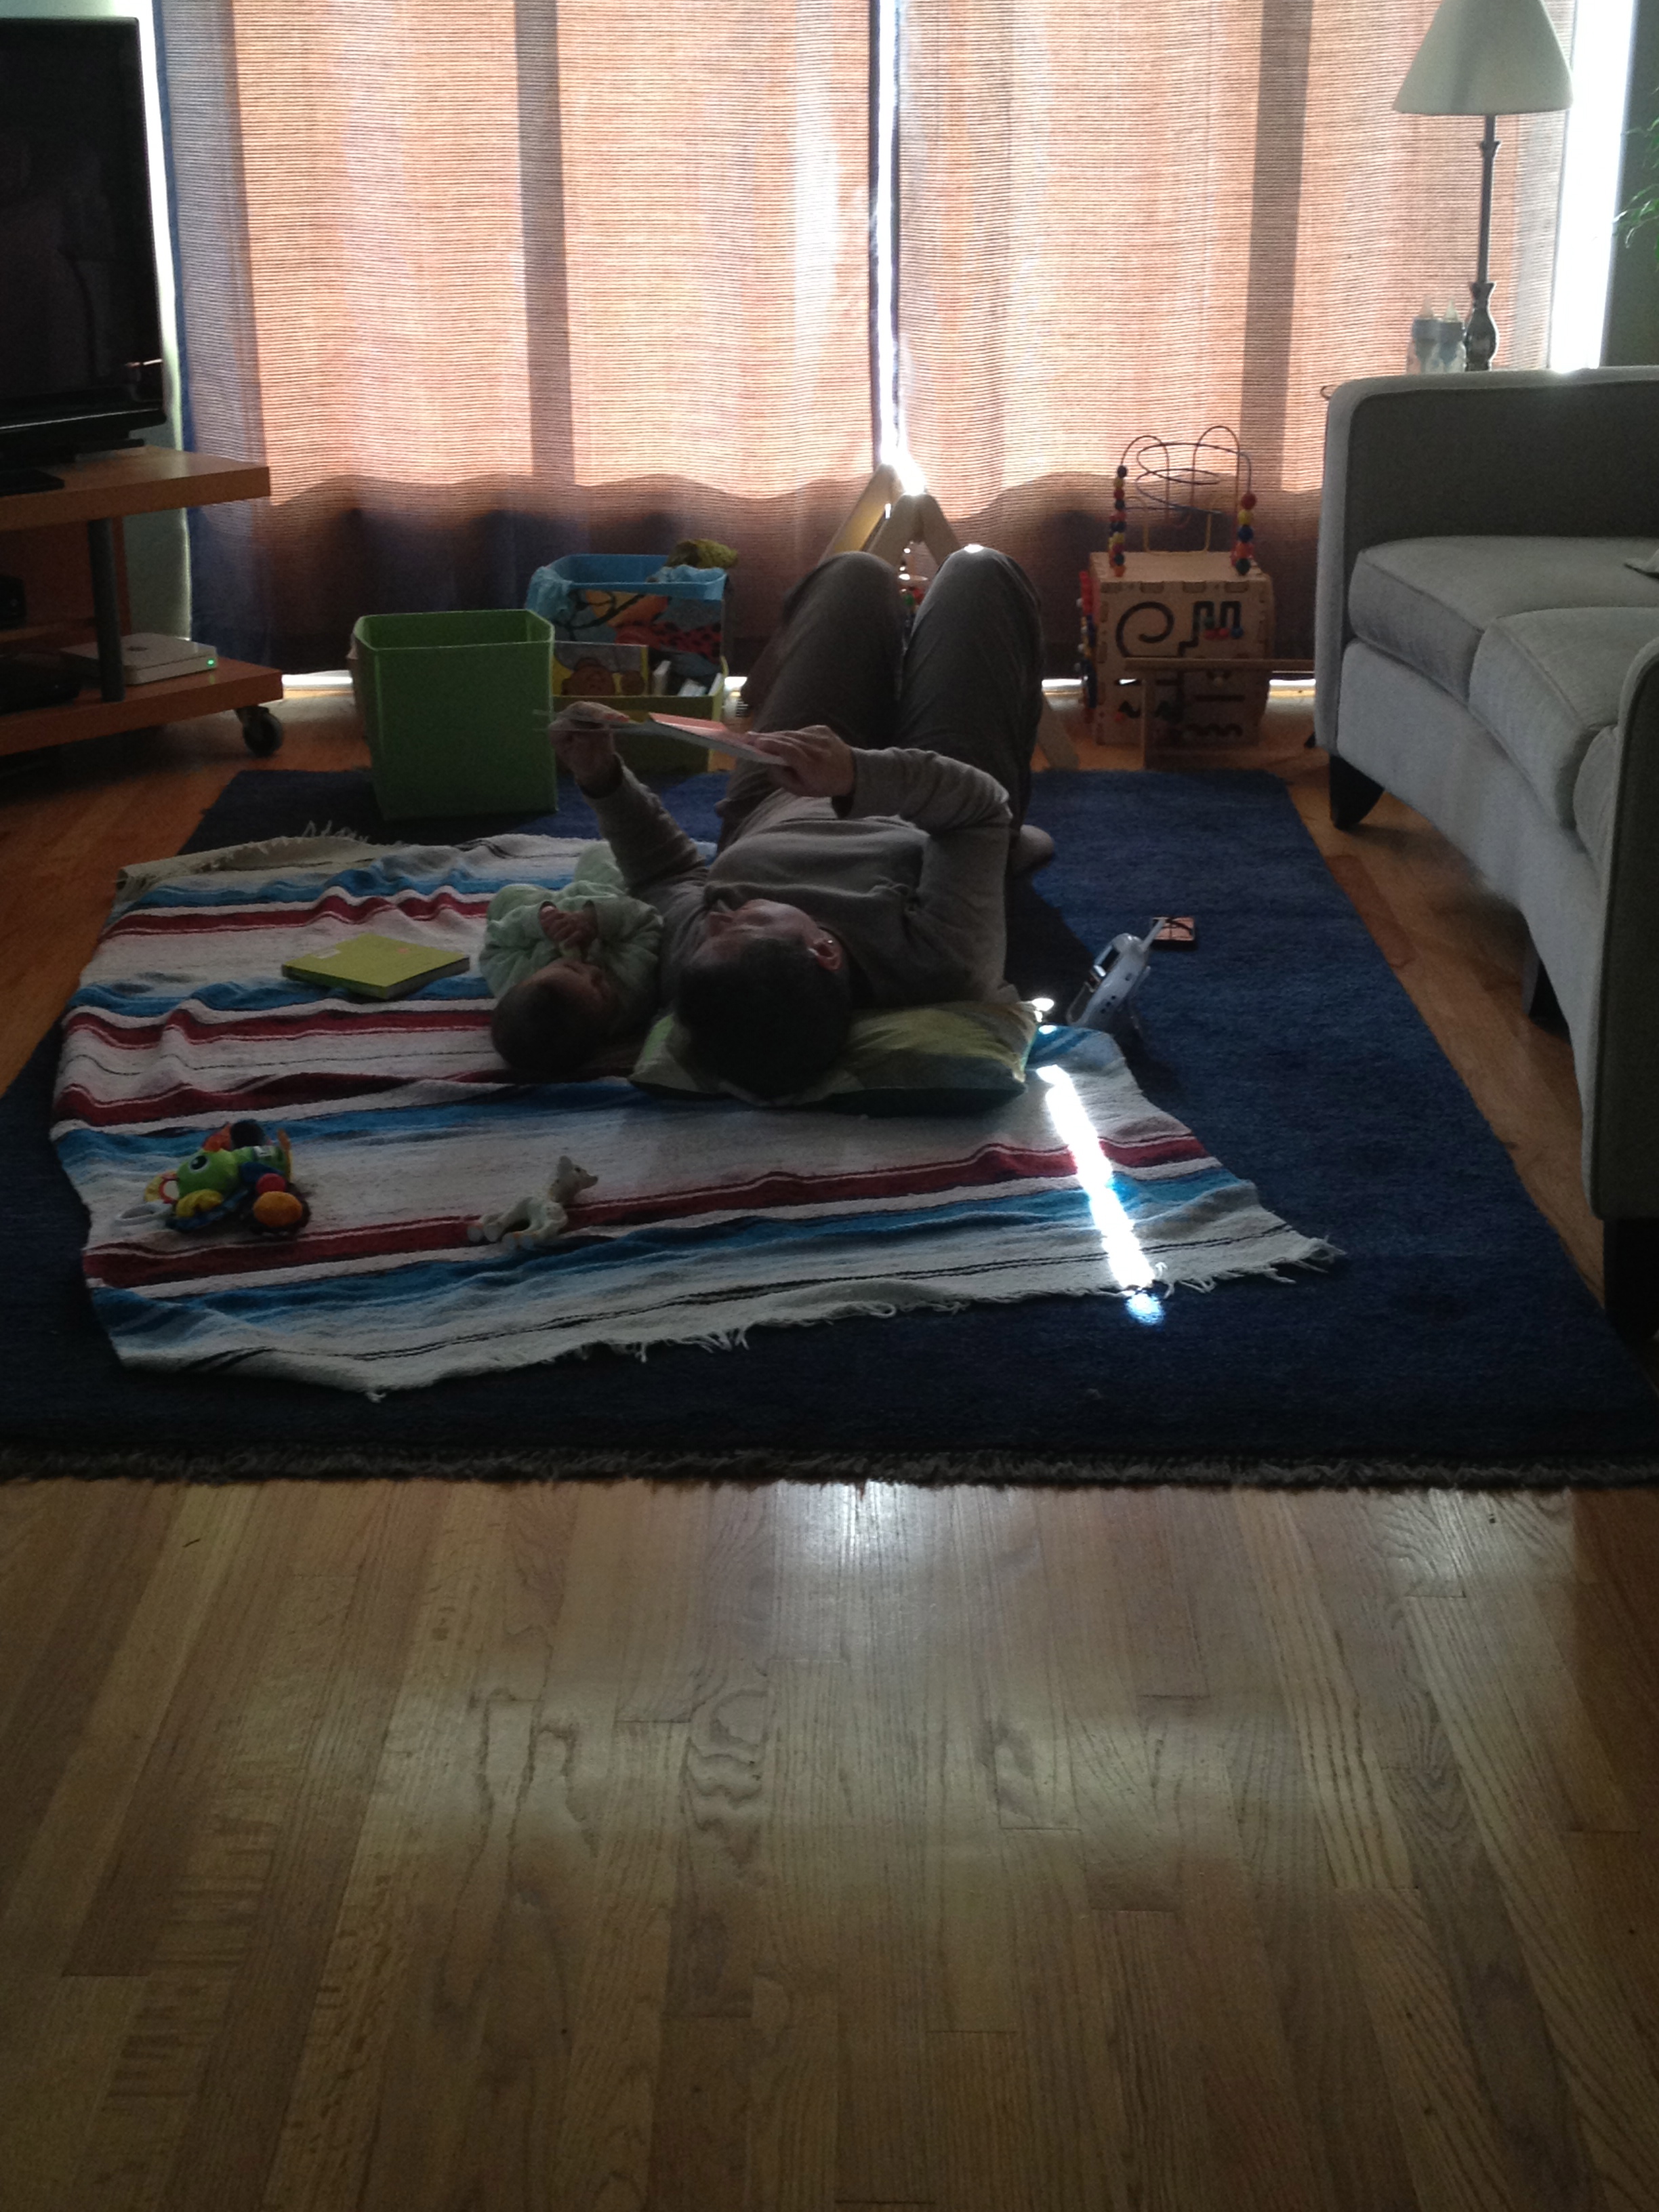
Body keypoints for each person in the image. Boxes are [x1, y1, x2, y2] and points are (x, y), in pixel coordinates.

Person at [550, 544, 1047, 1100]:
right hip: (938, 797)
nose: (716, 918)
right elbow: (978, 811)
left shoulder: (707, 966)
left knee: (853, 573)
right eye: (743, 925)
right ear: (824, 951)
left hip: (775, 788)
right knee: (980, 571)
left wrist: (602, 778)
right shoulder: (939, 963)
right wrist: (855, 774)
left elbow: (663, 875)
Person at [480, 846, 663, 1080]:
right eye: (601, 989)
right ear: (603, 1033)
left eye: (570, 966)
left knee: (505, 899)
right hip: (604, 895)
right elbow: (647, 923)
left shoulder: (514, 979)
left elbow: (494, 945)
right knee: (600, 855)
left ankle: (541, 904)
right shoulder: (631, 990)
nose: (593, 971)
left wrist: (538, 920)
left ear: (527, 979)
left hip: (542, 914)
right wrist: (594, 919)